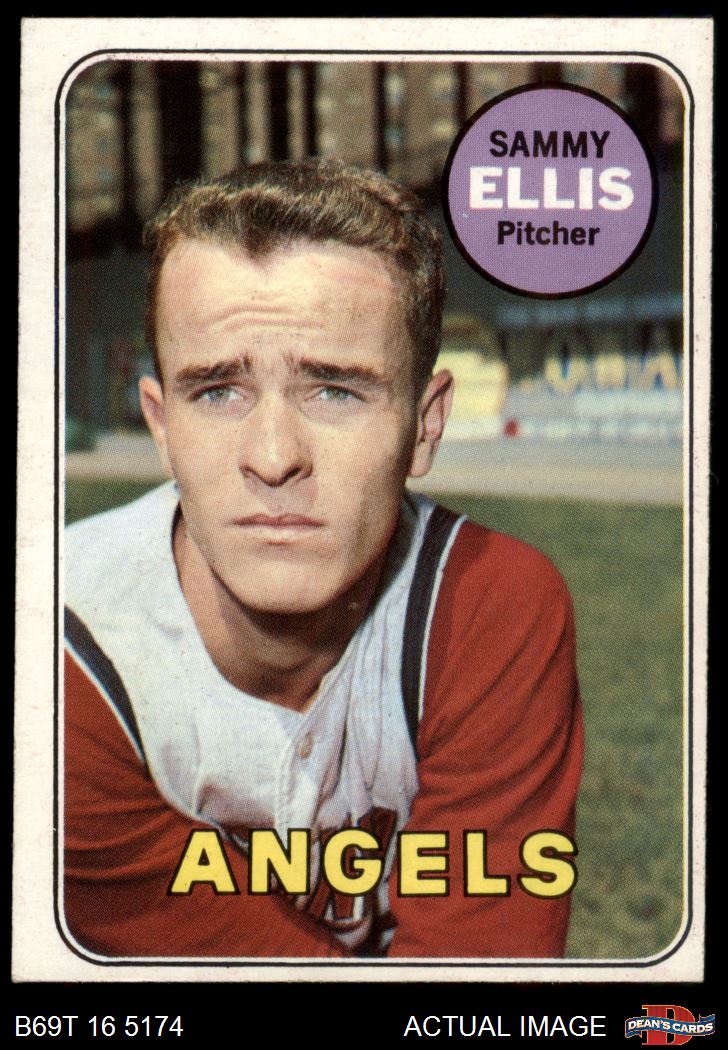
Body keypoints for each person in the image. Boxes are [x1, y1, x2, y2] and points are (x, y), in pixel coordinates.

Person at [64, 159, 583, 960]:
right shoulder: (60, 652)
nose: (274, 458)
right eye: (217, 392)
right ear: (161, 427)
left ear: (425, 425)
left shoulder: (490, 606)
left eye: (335, 391)